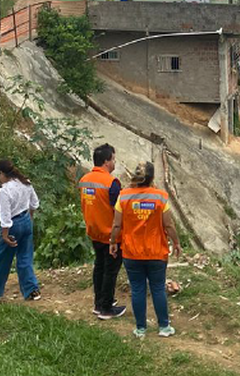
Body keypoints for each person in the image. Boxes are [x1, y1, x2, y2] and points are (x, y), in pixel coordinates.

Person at [110, 162, 182, 338]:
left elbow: (117, 224)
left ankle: (141, 329)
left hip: (131, 252)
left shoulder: (124, 197)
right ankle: (164, 327)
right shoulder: (160, 197)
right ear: (152, 178)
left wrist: (112, 242)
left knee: (137, 289)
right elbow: (169, 225)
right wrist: (177, 243)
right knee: (158, 288)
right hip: (156, 252)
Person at [0, 160, 41, 302]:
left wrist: (5, 234)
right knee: (25, 258)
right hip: (26, 220)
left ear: (1, 173)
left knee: (2, 259)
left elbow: (5, 216)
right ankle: (32, 290)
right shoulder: (25, 182)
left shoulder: (4, 191)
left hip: (13, 225)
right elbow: (34, 203)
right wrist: (30, 219)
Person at [78, 144, 126, 320]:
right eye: (113, 159)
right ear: (106, 161)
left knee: (99, 266)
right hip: (110, 234)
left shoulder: (84, 180)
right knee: (110, 270)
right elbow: (118, 211)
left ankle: (99, 303)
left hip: (94, 231)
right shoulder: (111, 183)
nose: (114, 162)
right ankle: (106, 308)